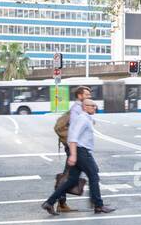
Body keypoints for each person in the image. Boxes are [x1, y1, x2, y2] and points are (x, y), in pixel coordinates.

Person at [41, 87, 116, 216]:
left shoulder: (85, 118)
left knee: (71, 180)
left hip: (79, 152)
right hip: (81, 152)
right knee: (93, 176)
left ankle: (49, 202)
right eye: (92, 106)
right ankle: (98, 205)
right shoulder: (82, 118)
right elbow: (73, 137)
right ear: (85, 107)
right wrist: (73, 155)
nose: (95, 108)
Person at [52, 92, 83, 212]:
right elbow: (74, 131)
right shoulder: (76, 110)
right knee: (68, 176)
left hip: (74, 147)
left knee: (70, 175)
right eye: (87, 94)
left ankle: (59, 202)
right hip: (73, 147)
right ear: (80, 96)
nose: (90, 97)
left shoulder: (78, 109)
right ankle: (57, 202)